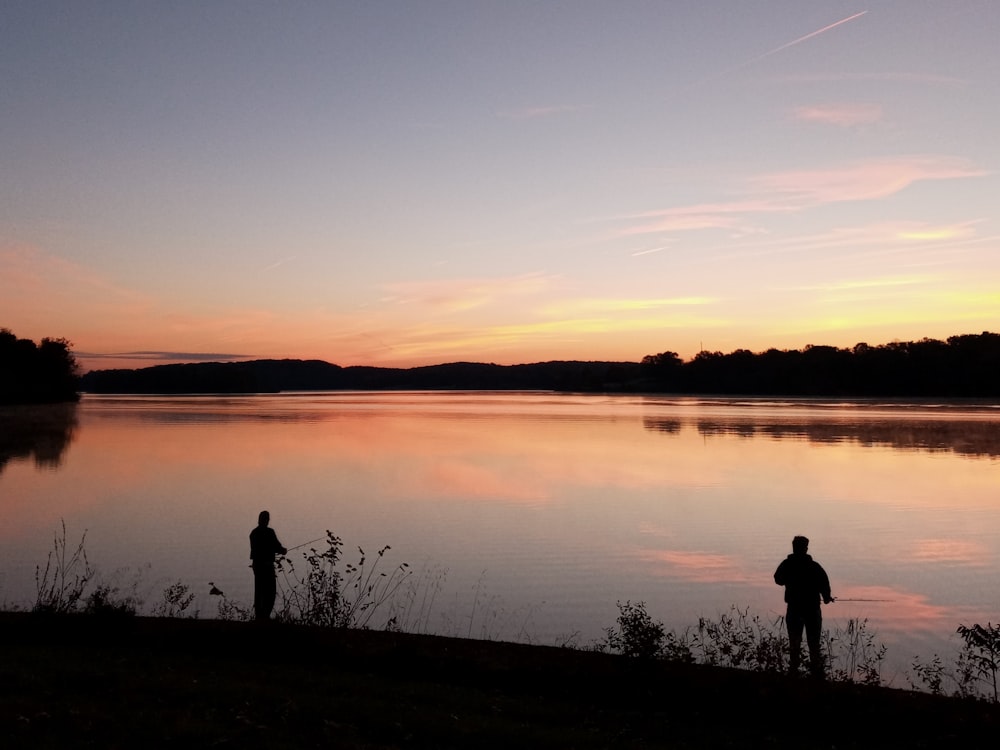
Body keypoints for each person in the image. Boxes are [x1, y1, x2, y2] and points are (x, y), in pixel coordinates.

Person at [774, 535, 833, 677]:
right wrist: (826, 597)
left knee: (794, 643)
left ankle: (793, 673)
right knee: (813, 644)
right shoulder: (814, 567)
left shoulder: (787, 564)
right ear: (805, 548)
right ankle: (816, 674)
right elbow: (824, 585)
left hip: (794, 609)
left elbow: (778, 579)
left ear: (794, 548)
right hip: (812, 610)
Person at [250, 510, 287, 621]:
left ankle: (259, 616)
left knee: (259, 590)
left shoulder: (253, 533)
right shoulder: (270, 532)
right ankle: (265, 616)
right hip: (267, 566)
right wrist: (283, 551)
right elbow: (277, 547)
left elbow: (256, 550)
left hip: (257, 566)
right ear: (266, 520)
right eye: (267, 519)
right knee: (270, 591)